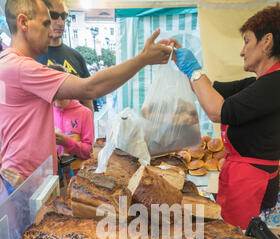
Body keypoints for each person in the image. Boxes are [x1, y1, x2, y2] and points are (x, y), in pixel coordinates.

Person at [0, 0, 171, 189]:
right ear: (23, 22)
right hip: (26, 182)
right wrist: (143, 59)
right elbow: (91, 88)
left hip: (24, 177)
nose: (51, 32)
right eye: (46, 23)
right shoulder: (21, 68)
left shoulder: (6, 63)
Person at [169, 3, 280, 230]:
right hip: (241, 180)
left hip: (252, 186)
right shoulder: (258, 83)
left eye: (247, 41)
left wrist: (193, 68)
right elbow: (210, 91)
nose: (242, 51)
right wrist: (184, 65)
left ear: (266, 42)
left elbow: (217, 111)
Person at [36, 0, 95, 113]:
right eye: (53, 15)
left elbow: (87, 100)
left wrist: (90, 128)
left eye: (63, 16)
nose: (60, 22)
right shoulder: (33, 58)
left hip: (76, 128)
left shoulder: (76, 56)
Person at [49, 63, 94, 175]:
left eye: (61, 96)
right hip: (54, 177)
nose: (57, 103)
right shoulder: (45, 112)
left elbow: (89, 152)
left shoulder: (84, 113)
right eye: (53, 97)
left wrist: (66, 141)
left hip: (78, 177)